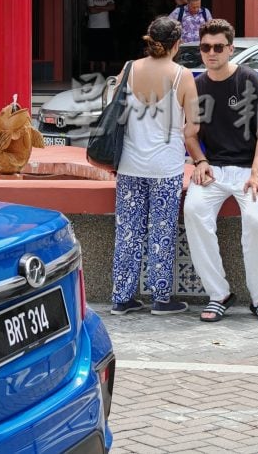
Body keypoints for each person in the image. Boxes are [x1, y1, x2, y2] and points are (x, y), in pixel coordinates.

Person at [184, 18, 258, 323]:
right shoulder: (196, 86)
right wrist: (199, 161)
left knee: (254, 220)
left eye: (217, 47)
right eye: (205, 47)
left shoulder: (249, 80)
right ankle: (218, 293)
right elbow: (190, 134)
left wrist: (256, 172)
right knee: (194, 210)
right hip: (214, 169)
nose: (210, 53)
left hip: (254, 166)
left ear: (230, 48)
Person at [110, 17, 199, 317]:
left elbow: (114, 110)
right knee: (162, 231)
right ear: (177, 44)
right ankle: (161, 298)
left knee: (128, 232)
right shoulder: (182, 76)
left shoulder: (128, 69)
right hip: (166, 168)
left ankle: (122, 298)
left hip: (129, 165)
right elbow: (193, 127)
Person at [86, 0, 114, 74]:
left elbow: (112, 7)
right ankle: (92, 68)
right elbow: (91, 10)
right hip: (93, 26)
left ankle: (103, 68)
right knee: (93, 48)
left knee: (104, 47)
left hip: (105, 26)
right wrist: (105, 7)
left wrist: (97, 7)